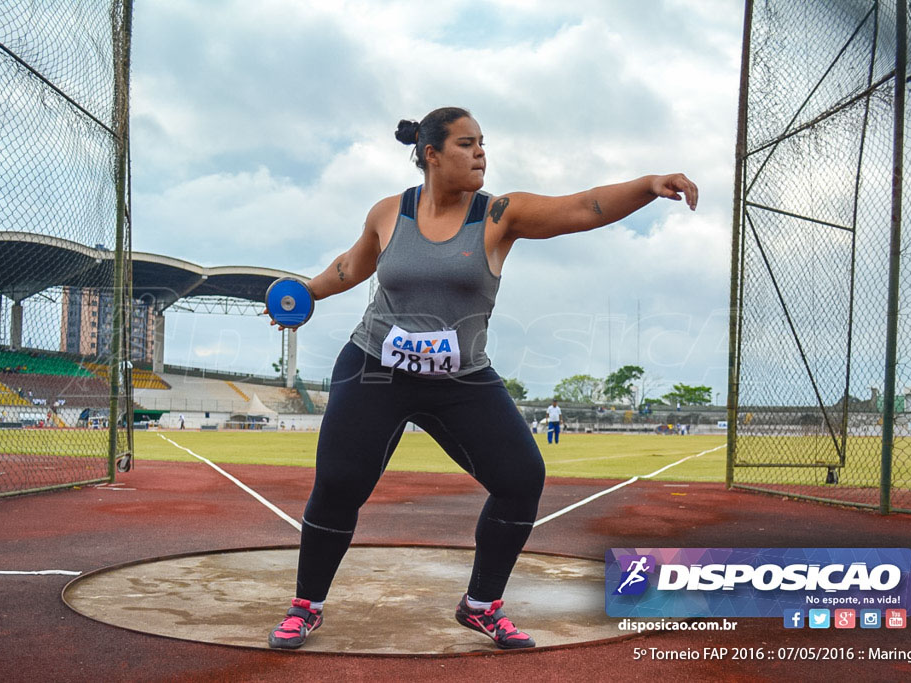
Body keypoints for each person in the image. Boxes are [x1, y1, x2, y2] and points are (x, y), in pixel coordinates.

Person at [264, 106, 697, 651]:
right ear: (431, 154)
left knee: (521, 479)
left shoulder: (498, 215)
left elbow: (583, 207)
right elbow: (353, 265)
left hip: (459, 377)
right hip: (375, 367)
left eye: (482, 143)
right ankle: (306, 605)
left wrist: (648, 185)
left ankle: (481, 604)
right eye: (467, 144)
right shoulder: (388, 212)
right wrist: (305, 293)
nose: (480, 153)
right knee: (339, 484)